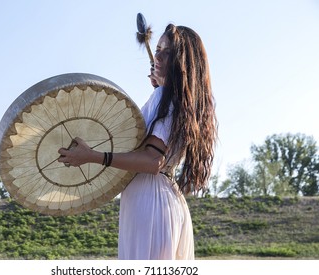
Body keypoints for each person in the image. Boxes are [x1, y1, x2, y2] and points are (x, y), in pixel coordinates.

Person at [57, 23, 217, 260]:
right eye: (158, 49)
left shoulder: (166, 97)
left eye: (167, 51)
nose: (158, 56)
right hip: (160, 199)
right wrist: (160, 89)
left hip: (150, 200)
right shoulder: (173, 98)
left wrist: (93, 156)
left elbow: (153, 161)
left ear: (182, 62)